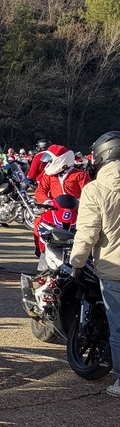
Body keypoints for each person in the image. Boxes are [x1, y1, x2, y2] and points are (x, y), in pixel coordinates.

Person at [68, 131, 120, 397]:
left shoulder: (96, 189)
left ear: (102, 155)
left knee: (118, 326)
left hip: (114, 269)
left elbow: (87, 232)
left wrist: (76, 262)